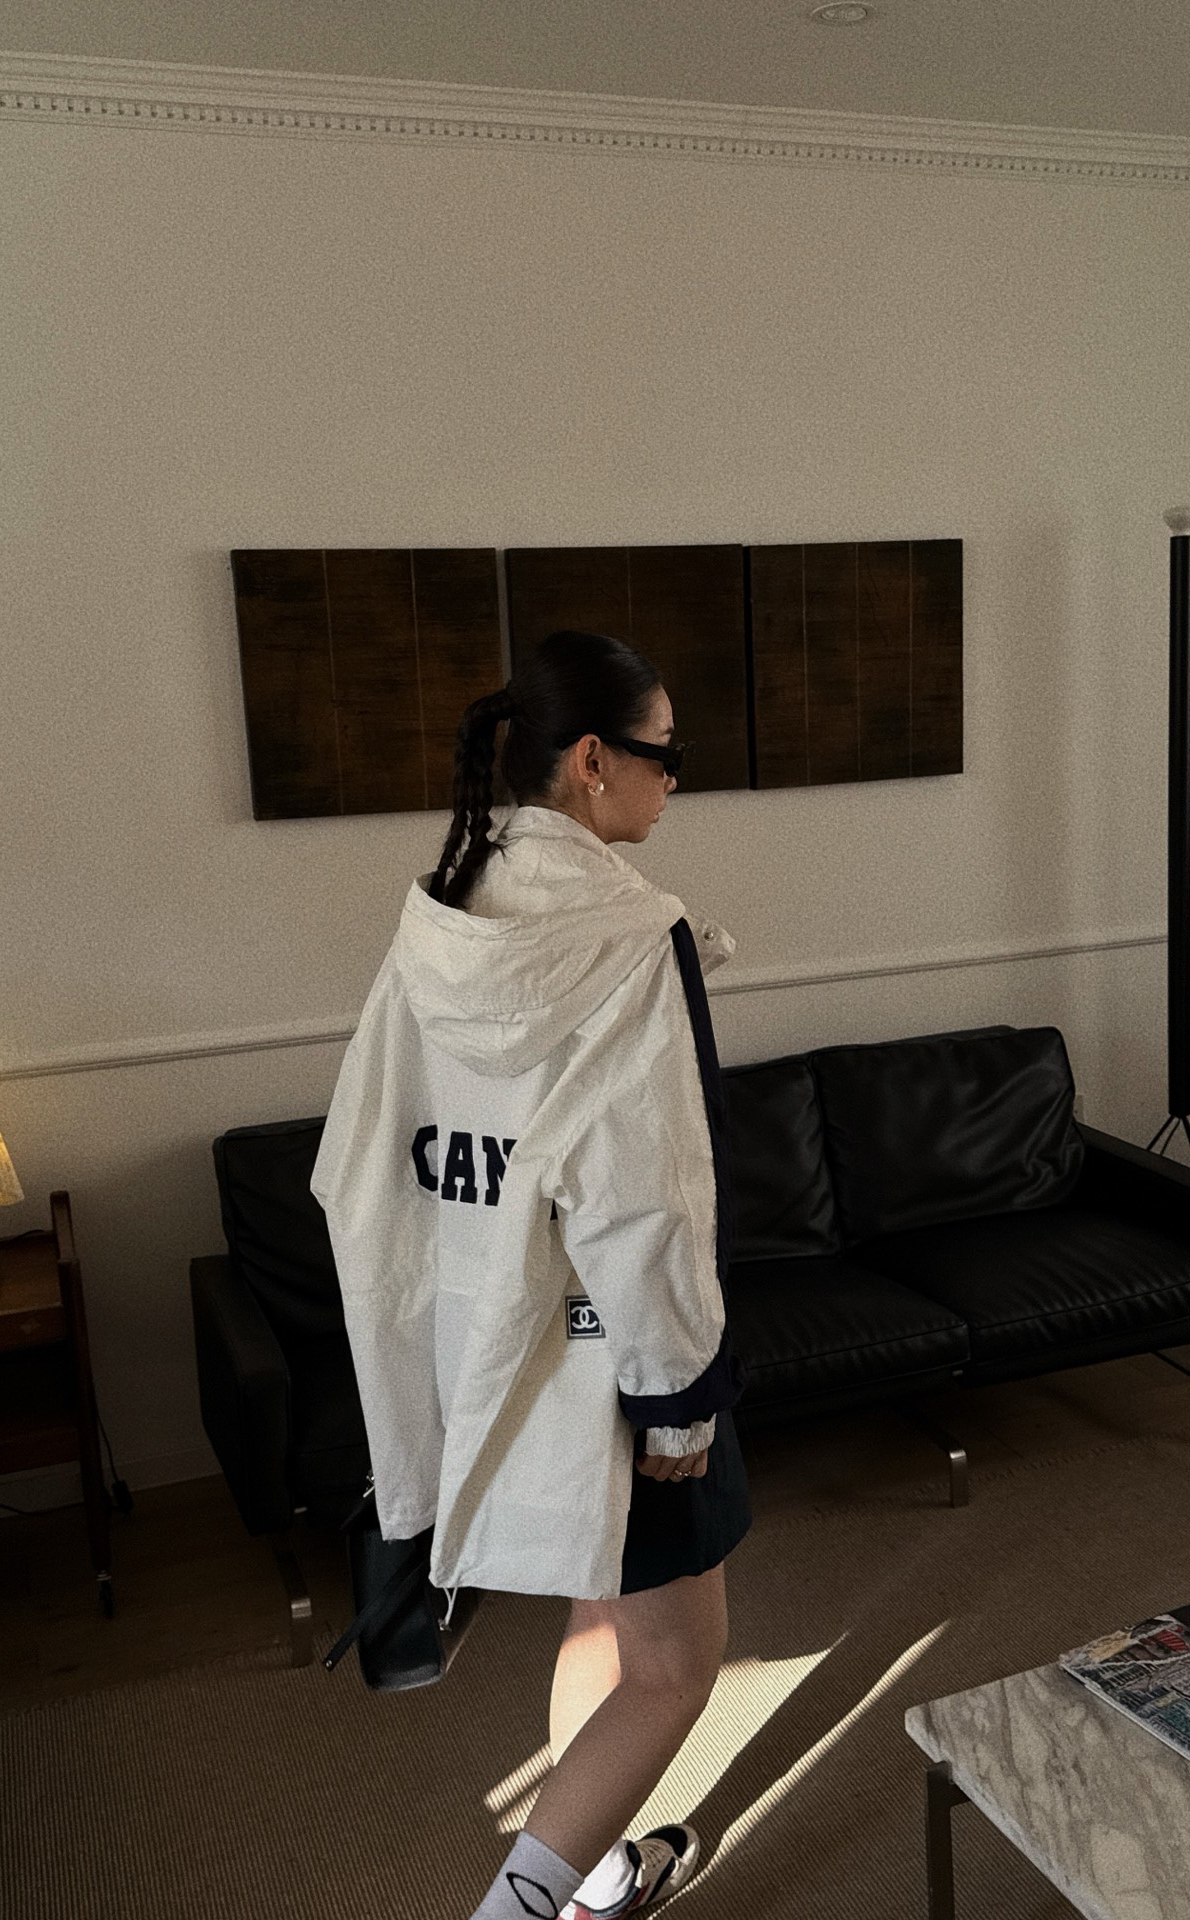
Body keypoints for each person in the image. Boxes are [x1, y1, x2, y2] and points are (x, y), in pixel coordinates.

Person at [309, 629, 752, 1920]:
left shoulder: (442, 917)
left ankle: (596, 1875)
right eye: (665, 753)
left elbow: (359, 1163)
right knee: (678, 1666)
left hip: (503, 1348)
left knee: (599, 1617)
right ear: (594, 760)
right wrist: (680, 1403)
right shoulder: (634, 939)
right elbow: (651, 1199)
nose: (675, 779)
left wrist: (430, 1348)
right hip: (621, 1363)